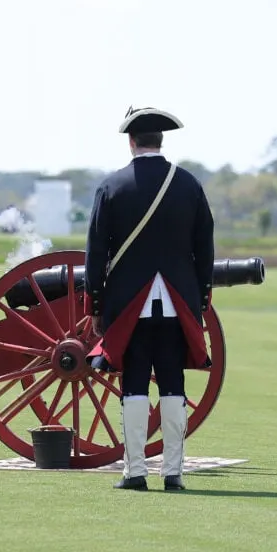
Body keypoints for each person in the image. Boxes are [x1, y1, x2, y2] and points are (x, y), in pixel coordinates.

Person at [84, 107, 215, 491]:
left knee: (134, 385)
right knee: (173, 385)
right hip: (177, 301)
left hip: (129, 303)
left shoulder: (112, 186)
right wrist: (200, 300)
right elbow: (204, 247)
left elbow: (96, 252)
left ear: (131, 142)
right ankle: (173, 473)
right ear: (160, 140)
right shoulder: (188, 185)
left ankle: (135, 472)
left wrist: (95, 304)